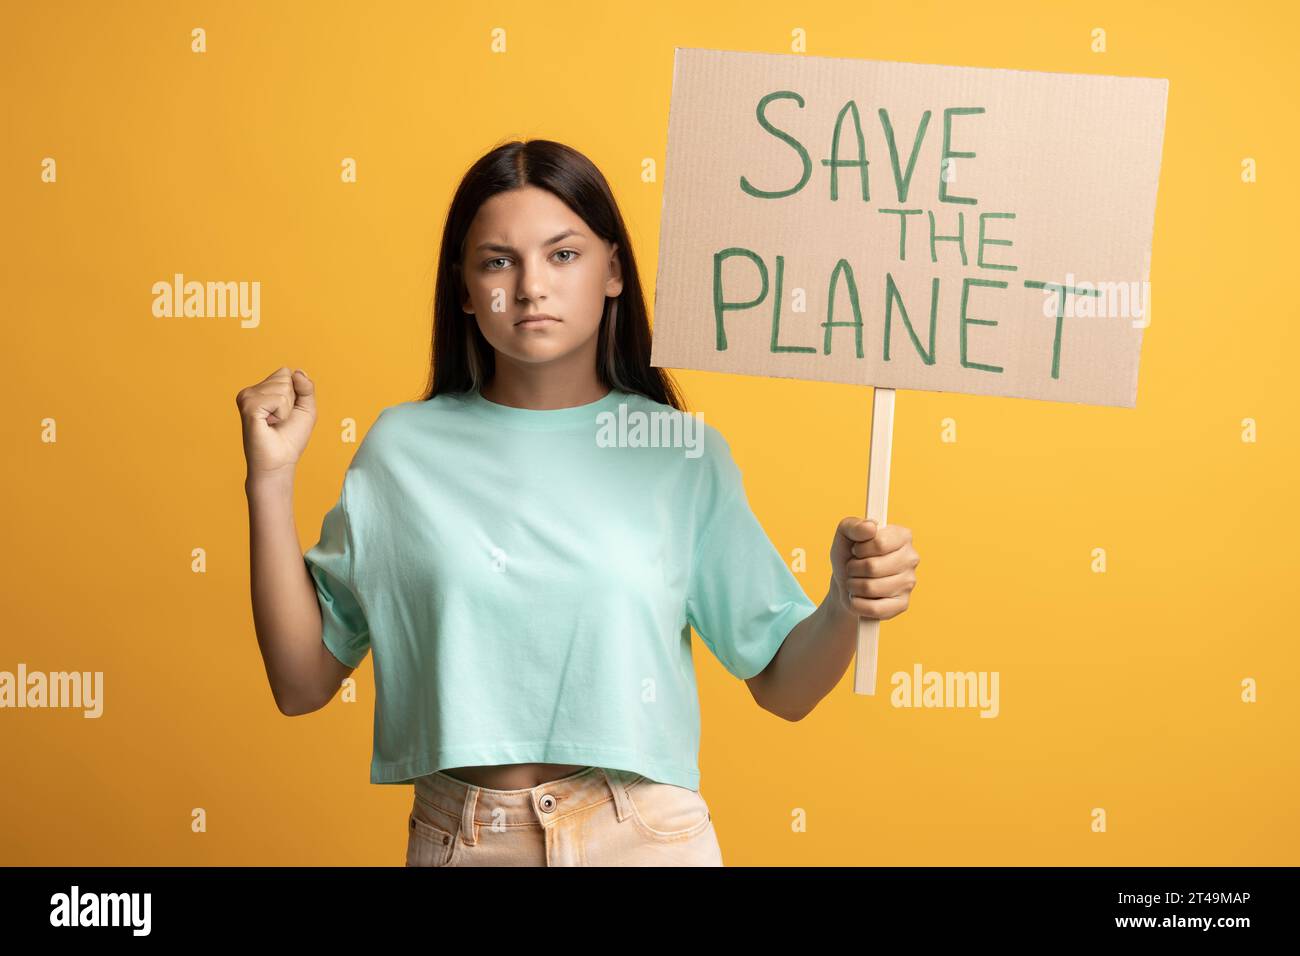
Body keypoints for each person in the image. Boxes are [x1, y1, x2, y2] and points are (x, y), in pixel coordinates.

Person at [236, 139, 920, 866]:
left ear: (614, 271)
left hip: (646, 840)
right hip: (465, 843)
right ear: (466, 289)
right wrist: (269, 482)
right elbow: (301, 681)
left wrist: (846, 602)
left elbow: (784, 686)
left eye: (563, 255)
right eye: (498, 260)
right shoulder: (400, 452)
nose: (531, 286)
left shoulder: (677, 454)